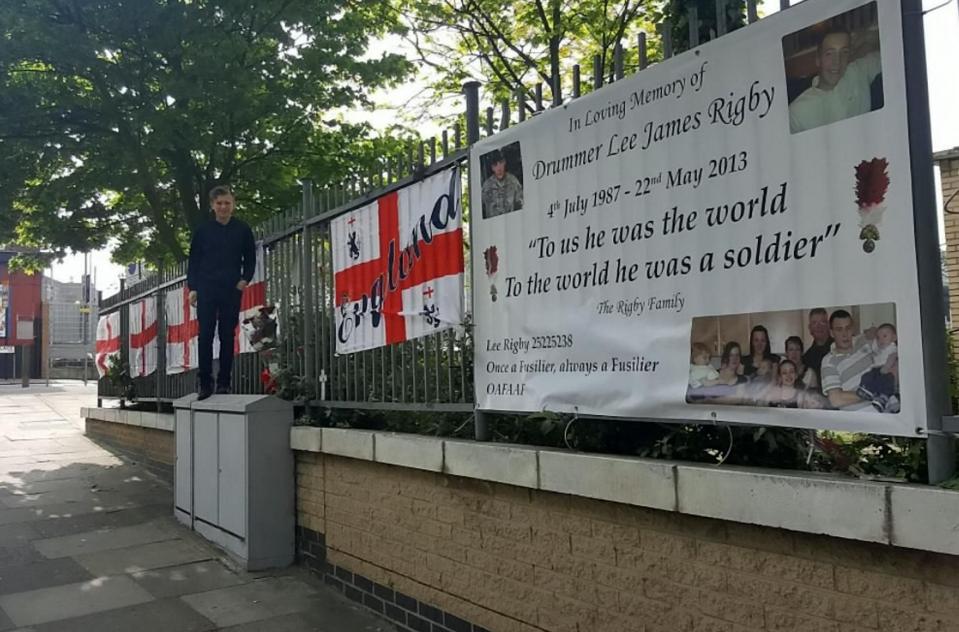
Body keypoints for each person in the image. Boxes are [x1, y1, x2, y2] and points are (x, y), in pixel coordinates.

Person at [187, 185, 257, 400]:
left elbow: (250, 257)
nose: (223, 207)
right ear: (212, 206)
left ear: (233, 205)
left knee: (228, 335)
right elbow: (194, 261)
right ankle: (204, 382)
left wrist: (245, 279)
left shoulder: (243, 229)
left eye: (227, 203)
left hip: (231, 288)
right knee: (205, 335)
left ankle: (224, 382)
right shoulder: (202, 231)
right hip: (207, 288)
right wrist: (193, 288)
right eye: (219, 203)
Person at [788, 27, 881, 133]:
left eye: (844, 52)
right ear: (818, 60)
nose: (837, 62)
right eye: (829, 53)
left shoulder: (859, 71)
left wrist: (867, 37)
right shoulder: (797, 112)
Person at [819, 309, 882, 411]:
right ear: (831, 333)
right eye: (839, 329)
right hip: (860, 417)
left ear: (852, 329)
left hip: (887, 410)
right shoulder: (828, 361)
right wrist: (870, 393)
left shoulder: (865, 341)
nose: (845, 334)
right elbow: (836, 399)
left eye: (848, 328)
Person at [856, 323, 899, 412]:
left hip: (886, 370)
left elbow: (892, 357)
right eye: (878, 338)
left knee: (886, 383)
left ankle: (884, 398)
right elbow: (872, 349)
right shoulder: (879, 348)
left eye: (885, 336)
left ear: (894, 338)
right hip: (876, 369)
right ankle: (866, 390)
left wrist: (887, 367)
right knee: (866, 376)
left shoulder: (892, 348)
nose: (881, 340)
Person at [481, 149, 523, 218]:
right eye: (495, 164)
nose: (499, 167)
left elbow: (520, 204)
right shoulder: (487, 186)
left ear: (504, 162)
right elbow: (482, 208)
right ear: (492, 168)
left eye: (500, 162)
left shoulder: (513, 181)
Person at [802, 308, 833, 386]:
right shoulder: (806, 358)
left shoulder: (840, 348)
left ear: (829, 325)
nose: (819, 326)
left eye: (823, 322)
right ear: (810, 328)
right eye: (814, 323)